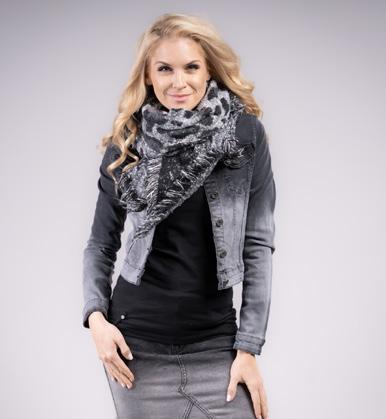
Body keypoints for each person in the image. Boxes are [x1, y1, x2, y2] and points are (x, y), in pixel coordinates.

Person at [82, 12, 276, 419]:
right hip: (137, 347)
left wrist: (248, 348)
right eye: (164, 69)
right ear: (148, 75)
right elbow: (100, 244)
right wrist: (96, 319)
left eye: (191, 67)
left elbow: (257, 244)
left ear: (209, 71)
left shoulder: (242, 137)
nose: (179, 82)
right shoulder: (128, 143)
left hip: (216, 341)